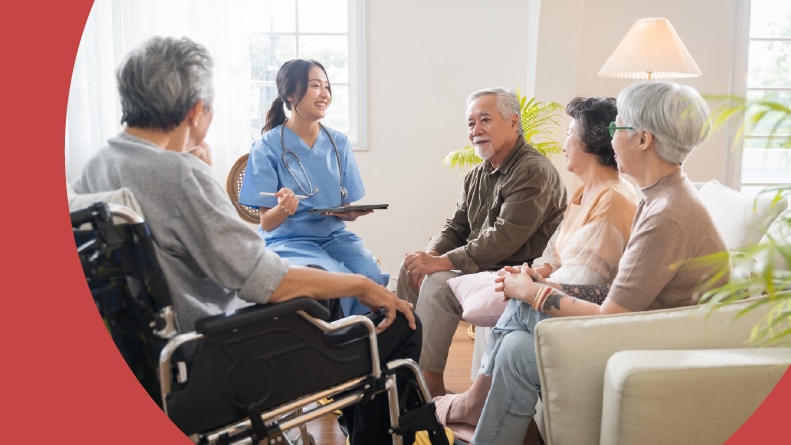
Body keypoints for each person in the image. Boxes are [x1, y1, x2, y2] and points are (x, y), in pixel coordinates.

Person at [72, 36, 421, 445]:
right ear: (196, 110)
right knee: (399, 323)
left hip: (158, 361)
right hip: (225, 354)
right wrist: (364, 286)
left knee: (354, 300)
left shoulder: (95, 169)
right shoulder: (179, 174)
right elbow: (267, 280)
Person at [468, 81, 731, 445]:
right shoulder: (658, 197)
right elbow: (617, 295)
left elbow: (612, 317)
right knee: (514, 349)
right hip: (645, 331)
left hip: (654, 348)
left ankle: (472, 402)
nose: (609, 140)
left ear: (643, 139)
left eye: (616, 128)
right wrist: (543, 286)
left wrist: (533, 293)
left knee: (521, 310)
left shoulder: (667, 214)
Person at [431, 95, 639, 442]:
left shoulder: (613, 201)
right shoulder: (586, 192)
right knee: (512, 342)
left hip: (587, 323)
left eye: (571, 133)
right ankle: (485, 412)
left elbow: (584, 281)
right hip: (563, 297)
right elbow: (555, 255)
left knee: (516, 306)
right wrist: (534, 273)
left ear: (590, 143)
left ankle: (473, 401)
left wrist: (527, 287)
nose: (563, 142)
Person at [397, 87, 568, 397]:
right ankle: (404, 369)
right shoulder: (477, 174)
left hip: (516, 273)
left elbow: (503, 239)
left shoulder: (533, 171)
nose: (475, 131)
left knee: (437, 282)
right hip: (483, 266)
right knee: (410, 268)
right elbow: (456, 226)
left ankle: (429, 384)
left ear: (514, 122)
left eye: (484, 120)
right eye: (470, 123)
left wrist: (439, 264)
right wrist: (431, 253)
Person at [238, 59, 386, 317]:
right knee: (332, 278)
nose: (324, 94)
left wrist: (349, 213)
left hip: (334, 237)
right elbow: (268, 223)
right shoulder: (266, 147)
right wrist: (284, 208)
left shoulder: (338, 142)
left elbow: (345, 206)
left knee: (370, 275)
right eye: (315, 86)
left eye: (326, 86)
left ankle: (364, 343)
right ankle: (334, 344)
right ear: (291, 94)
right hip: (289, 241)